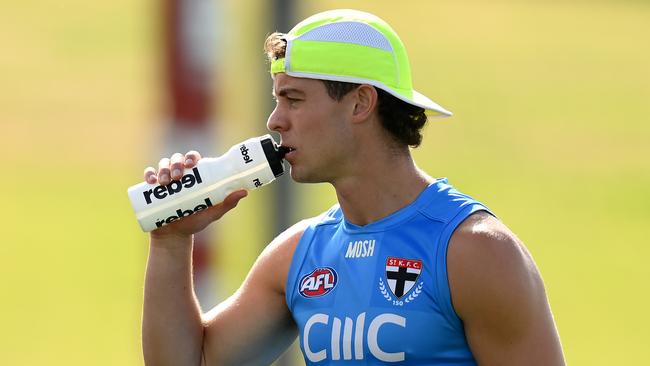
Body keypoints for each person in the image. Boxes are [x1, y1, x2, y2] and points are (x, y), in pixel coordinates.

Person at [141, 9, 565, 366]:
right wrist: (171, 242)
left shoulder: (475, 251)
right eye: (276, 100)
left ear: (361, 103)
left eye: (294, 99)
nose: (274, 121)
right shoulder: (297, 256)